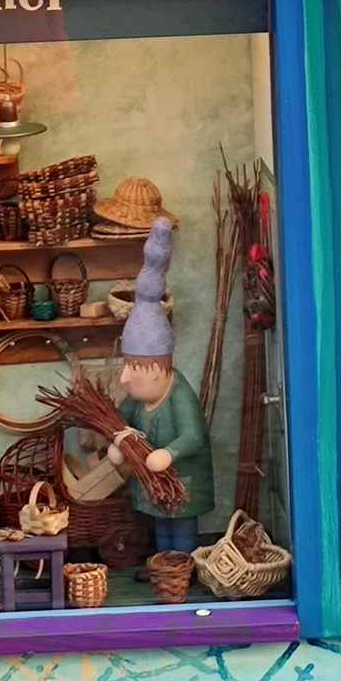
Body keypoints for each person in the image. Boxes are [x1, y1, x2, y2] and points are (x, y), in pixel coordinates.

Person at [108, 217, 214, 553]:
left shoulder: (179, 393)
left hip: (182, 478)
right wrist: (118, 442)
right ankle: (165, 562)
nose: (125, 377)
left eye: (135, 367)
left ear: (158, 368)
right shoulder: (138, 398)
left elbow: (193, 436)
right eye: (127, 365)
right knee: (159, 523)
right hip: (154, 480)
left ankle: (181, 563)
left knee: (180, 522)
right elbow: (119, 419)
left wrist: (169, 453)